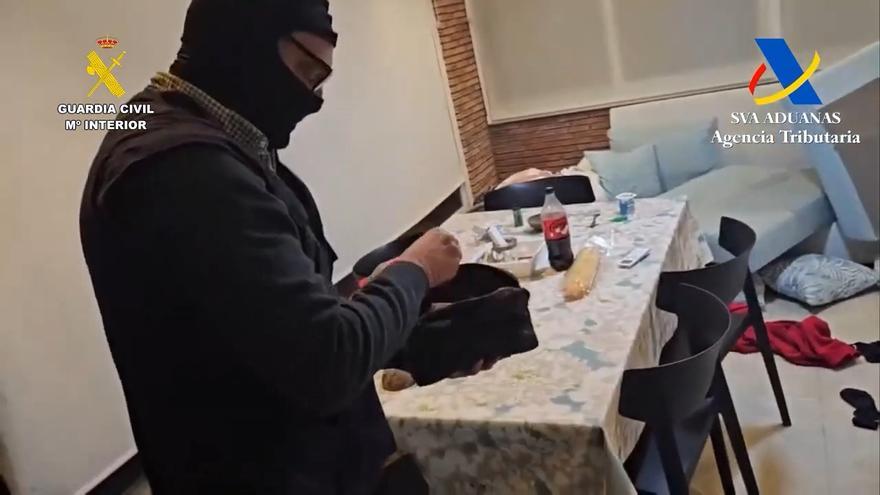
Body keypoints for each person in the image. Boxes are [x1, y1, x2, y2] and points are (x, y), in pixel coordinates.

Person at [79, 1, 492, 493]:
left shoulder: (202, 140)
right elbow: (326, 362)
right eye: (306, 72)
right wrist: (416, 269)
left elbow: (271, 336)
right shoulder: (183, 171)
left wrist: (414, 341)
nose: (314, 99)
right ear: (242, 42)